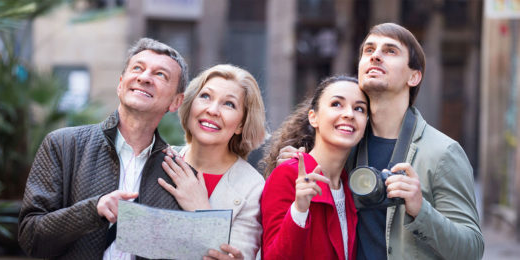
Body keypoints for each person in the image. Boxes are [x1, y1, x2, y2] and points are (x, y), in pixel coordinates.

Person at [274, 23, 484, 259]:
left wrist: (420, 209)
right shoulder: (343, 146)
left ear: (414, 76)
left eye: (390, 51)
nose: (375, 55)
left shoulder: (443, 153)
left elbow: (472, 250)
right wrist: (294, 164)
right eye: (369, 50)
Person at [18, 38, 188, 259]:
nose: (144, 77)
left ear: (176, 102)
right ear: (120, 84)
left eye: (160, 75)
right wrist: (93, 209)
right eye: (138, 68)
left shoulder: (179, 173)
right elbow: (30, 238)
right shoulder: (63, 145)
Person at [159, 64, 266, 260]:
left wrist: (201, 209)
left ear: (241, 125)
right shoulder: (160, 160)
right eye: (205, 96)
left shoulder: (253, 187)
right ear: (190, 104)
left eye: (229, 104)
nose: (213, 110)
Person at [261, 76, 368, 259]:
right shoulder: (288, 174)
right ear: (314, 117)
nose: (349, 114)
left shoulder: (349, 186)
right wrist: (299, 210)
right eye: (336, 104)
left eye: (359, 108)